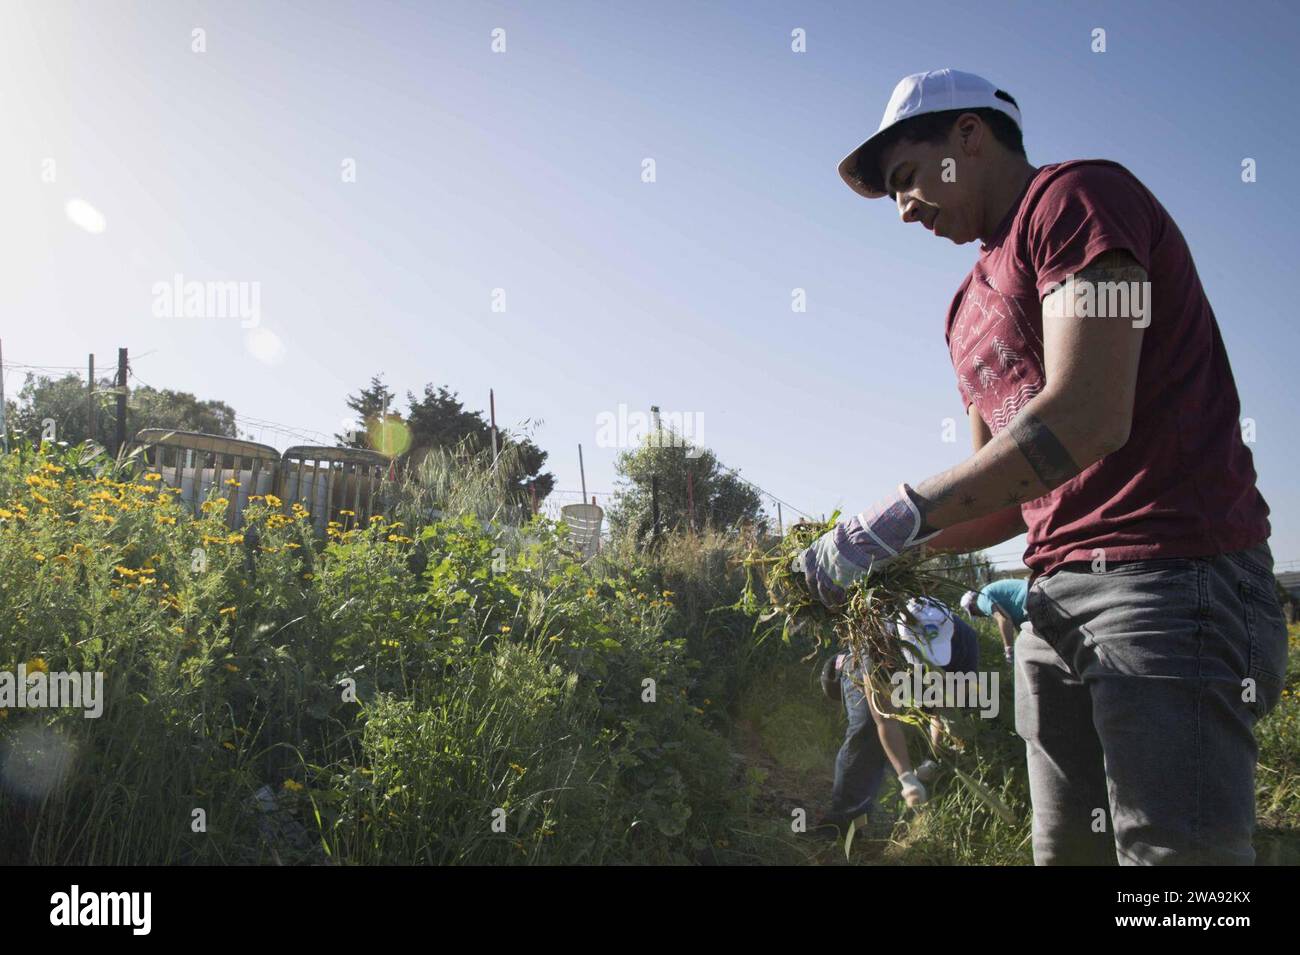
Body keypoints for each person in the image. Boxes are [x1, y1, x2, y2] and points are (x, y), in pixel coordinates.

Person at [798, 69, 1286, 865]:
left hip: (1163, 581)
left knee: (1173, 865)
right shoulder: (964, 308)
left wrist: (896, 511)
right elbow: (1003, 491)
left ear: (969, 135)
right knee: (1066, 851)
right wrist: (889, 556)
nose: (903, 208)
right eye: (892, 194)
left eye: (908, 178)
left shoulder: (1077, 201)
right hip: (1050, 601)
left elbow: (1090, 414)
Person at [961, 578, 1028, 662]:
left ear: (973, 605)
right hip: (1033, 594)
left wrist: (1009, 650)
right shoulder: (992, 597)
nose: (978, 616)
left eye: (973, 613)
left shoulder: (981, 600)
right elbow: (1019, 627)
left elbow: (1004, 619)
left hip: (1028, 598)